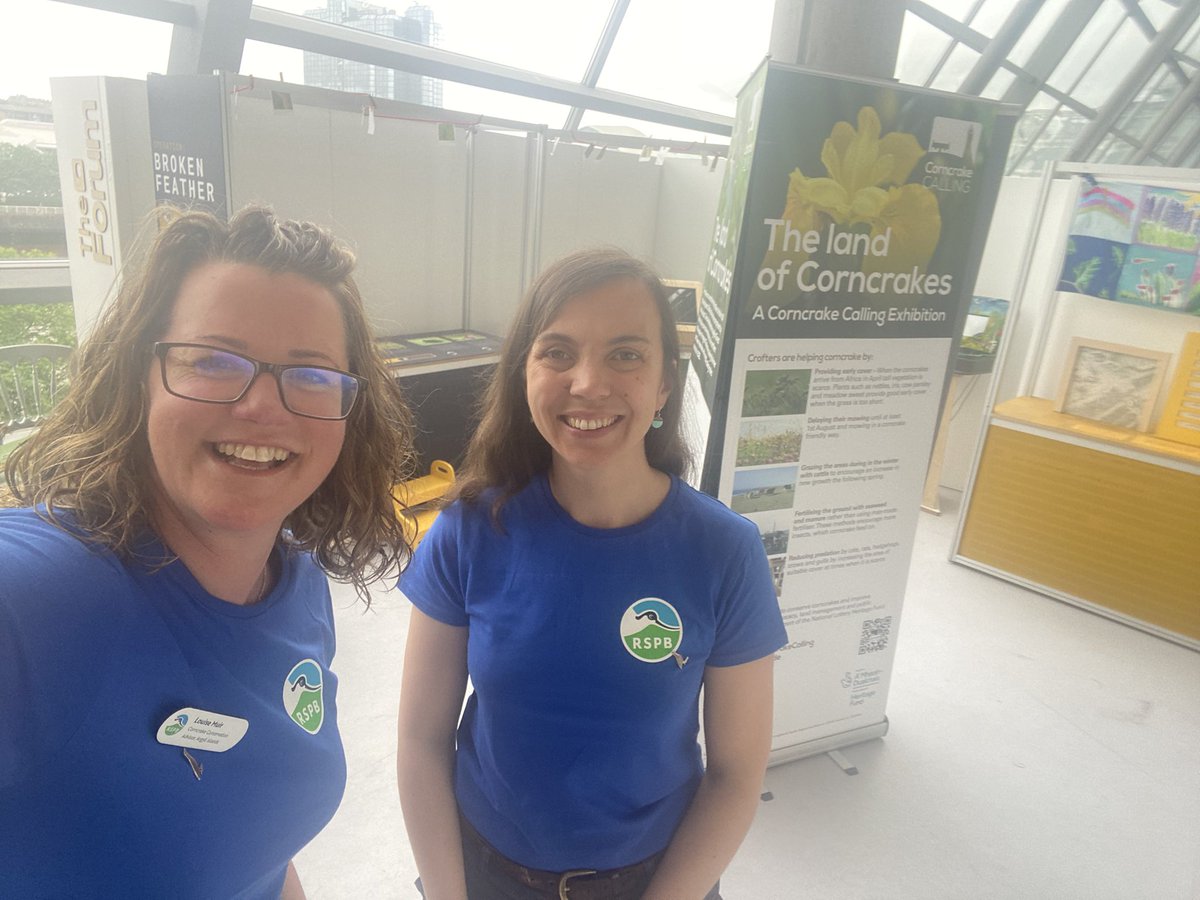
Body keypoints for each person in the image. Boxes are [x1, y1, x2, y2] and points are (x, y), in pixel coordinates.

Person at [0, 205, 416, 898]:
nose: (262, 407)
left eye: (311, 375)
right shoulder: (32, 599)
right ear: (139, 378)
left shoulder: (298, 588)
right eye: (213, 361)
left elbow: (261, 849)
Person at [396, 248, 787, 899]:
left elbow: (737, 776)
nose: (587, 382)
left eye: (626, 354)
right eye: (557, 352)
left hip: (657, 882)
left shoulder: (724, 551)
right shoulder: (470, 530)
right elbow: (419, 742)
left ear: (665, 385)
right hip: (483, 875)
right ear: (524, 374)